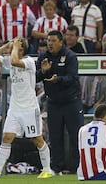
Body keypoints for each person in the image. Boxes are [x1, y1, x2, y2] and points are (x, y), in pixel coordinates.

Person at [0, 37, 52, 178]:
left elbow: (15, 61)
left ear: (24, 50)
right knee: (7, 137)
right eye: (17, 48)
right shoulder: (10, 59)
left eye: (20, 48)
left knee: (37, 139)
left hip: (29, 108)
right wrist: (6, 46)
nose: (17, 51)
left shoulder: (29, 62)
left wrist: (13, 48)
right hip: (15, 109)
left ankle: (47, 169)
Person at [36, 30, 84, 174]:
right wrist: (44, 72)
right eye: (48, 41)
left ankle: (77, 167)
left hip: (71, 102)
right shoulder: (43, 57)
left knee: (76, 135)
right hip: (53, 102)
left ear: (60, 42)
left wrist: (59, 79)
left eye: (53, 41)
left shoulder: (70, 56)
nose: (50, 44)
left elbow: (73, 78)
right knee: (55, 137)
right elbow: (35, 77)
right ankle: (56, 167)